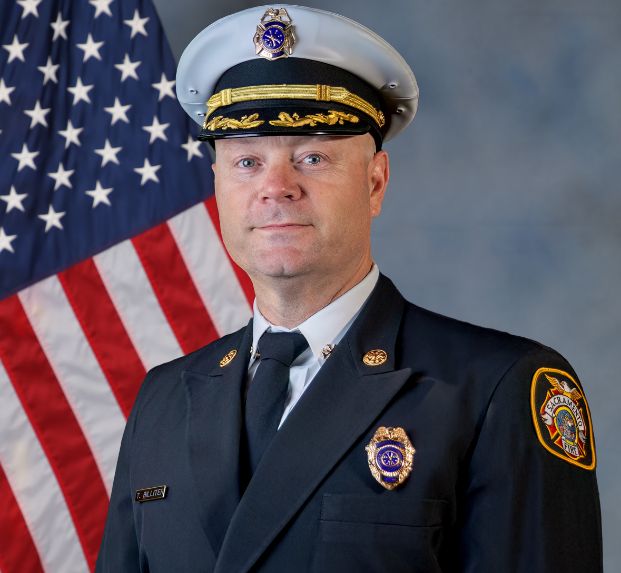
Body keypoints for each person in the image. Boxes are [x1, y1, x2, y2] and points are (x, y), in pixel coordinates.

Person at [96, 5, 602, 572]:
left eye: (312, 157)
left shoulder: (496, 389)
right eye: (246, 162)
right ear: (216, 184)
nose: (275, 188)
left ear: (375, 183)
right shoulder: (163, 400)